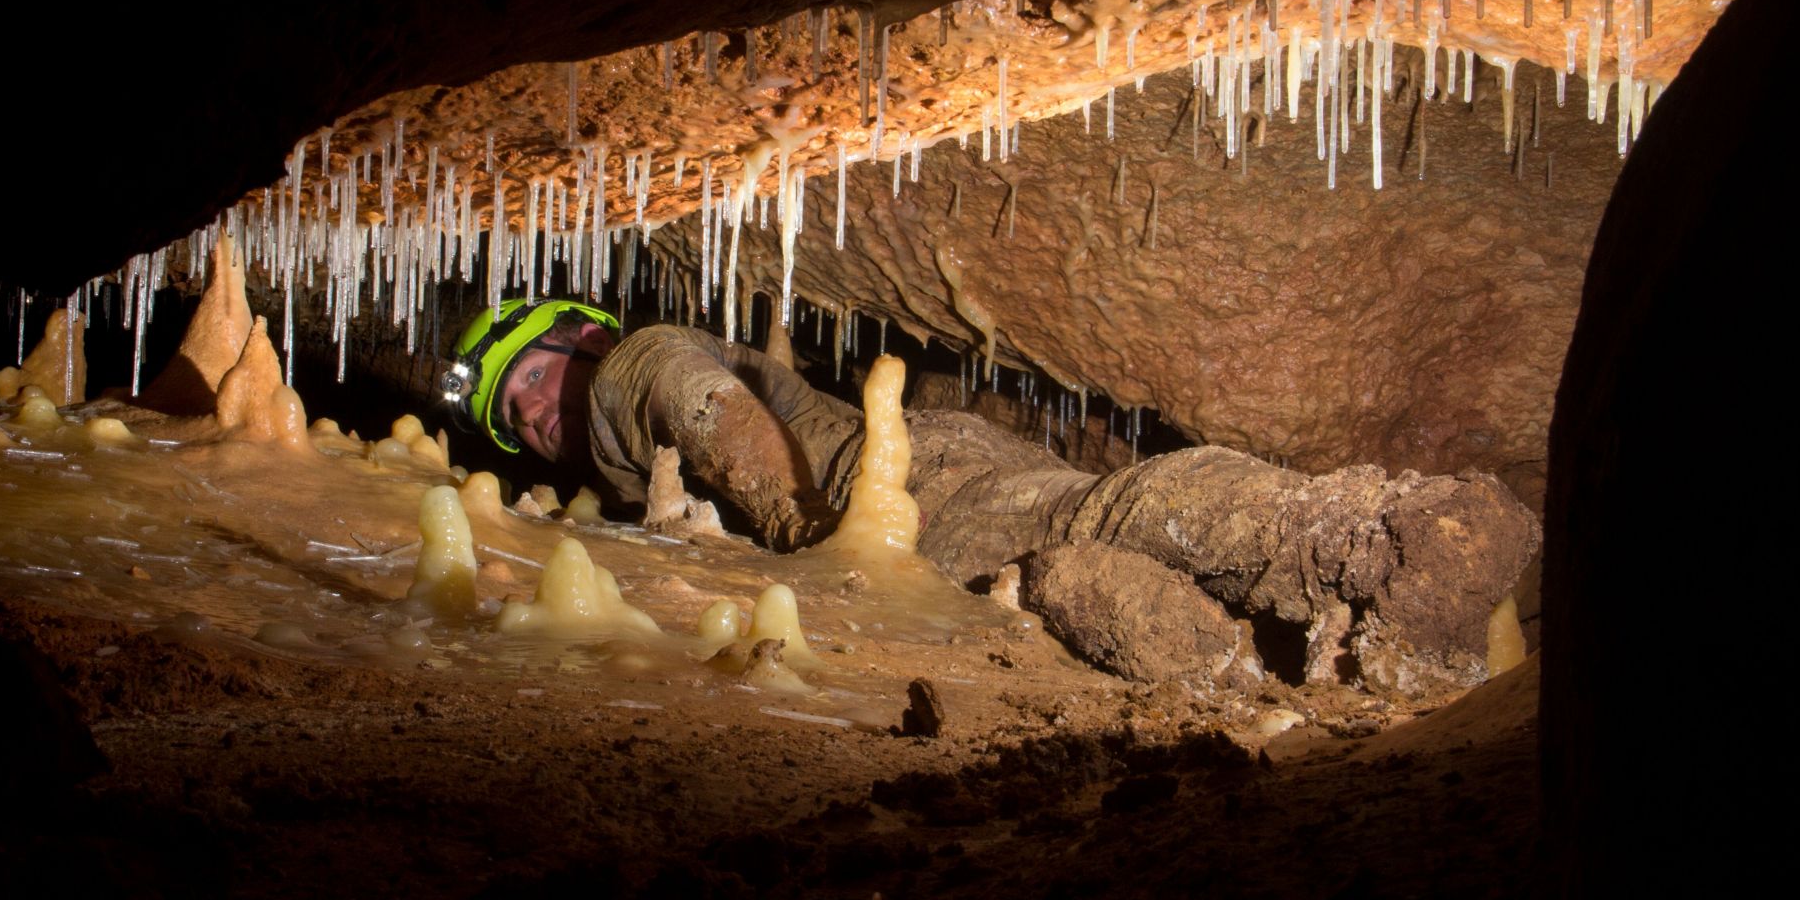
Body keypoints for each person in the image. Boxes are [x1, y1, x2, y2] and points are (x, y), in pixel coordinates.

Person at [437, 299, 1539, 683]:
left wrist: (813, 527)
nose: (535, 415)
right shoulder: (622, 471)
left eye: (531, 378)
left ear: (576, 338)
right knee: (1081, 542)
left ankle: (1369, 535)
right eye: (514, 419)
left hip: (879, 481)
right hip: (922, 452)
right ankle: (1287, 643)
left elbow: (697, 401)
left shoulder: (630, 363)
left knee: (1084, 520)